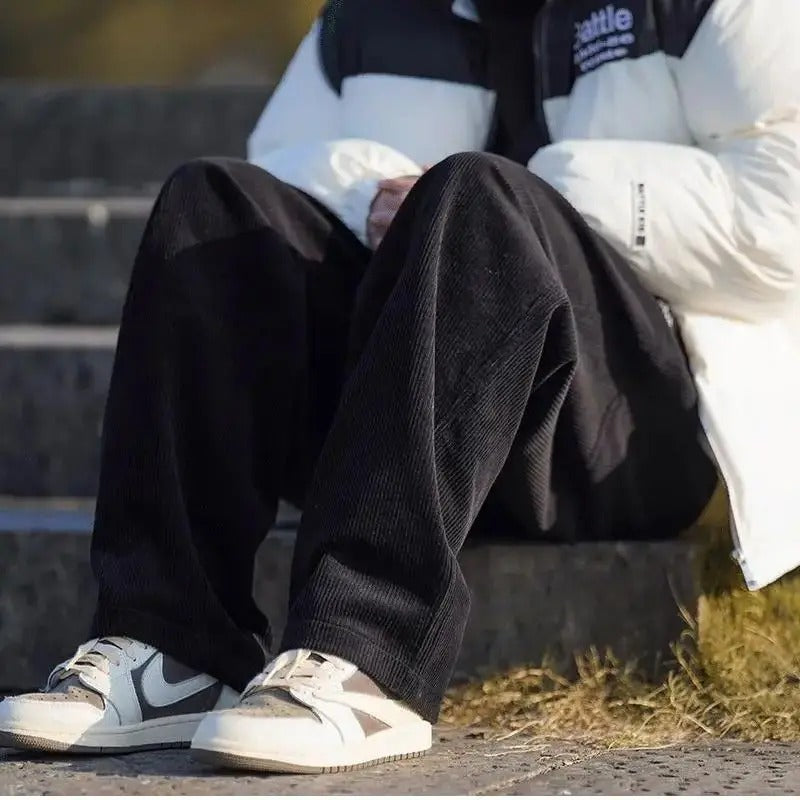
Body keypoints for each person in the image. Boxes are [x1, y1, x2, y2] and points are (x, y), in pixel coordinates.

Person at [2, 0, 799, 776]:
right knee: (214, 207)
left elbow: (785, 214)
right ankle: (171, 641)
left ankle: (367, 653)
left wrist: (542, 194)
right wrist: (382, 200)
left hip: (621, 427)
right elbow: (279, 170)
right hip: (403, 411)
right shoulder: (366, 16)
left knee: (477, 198)